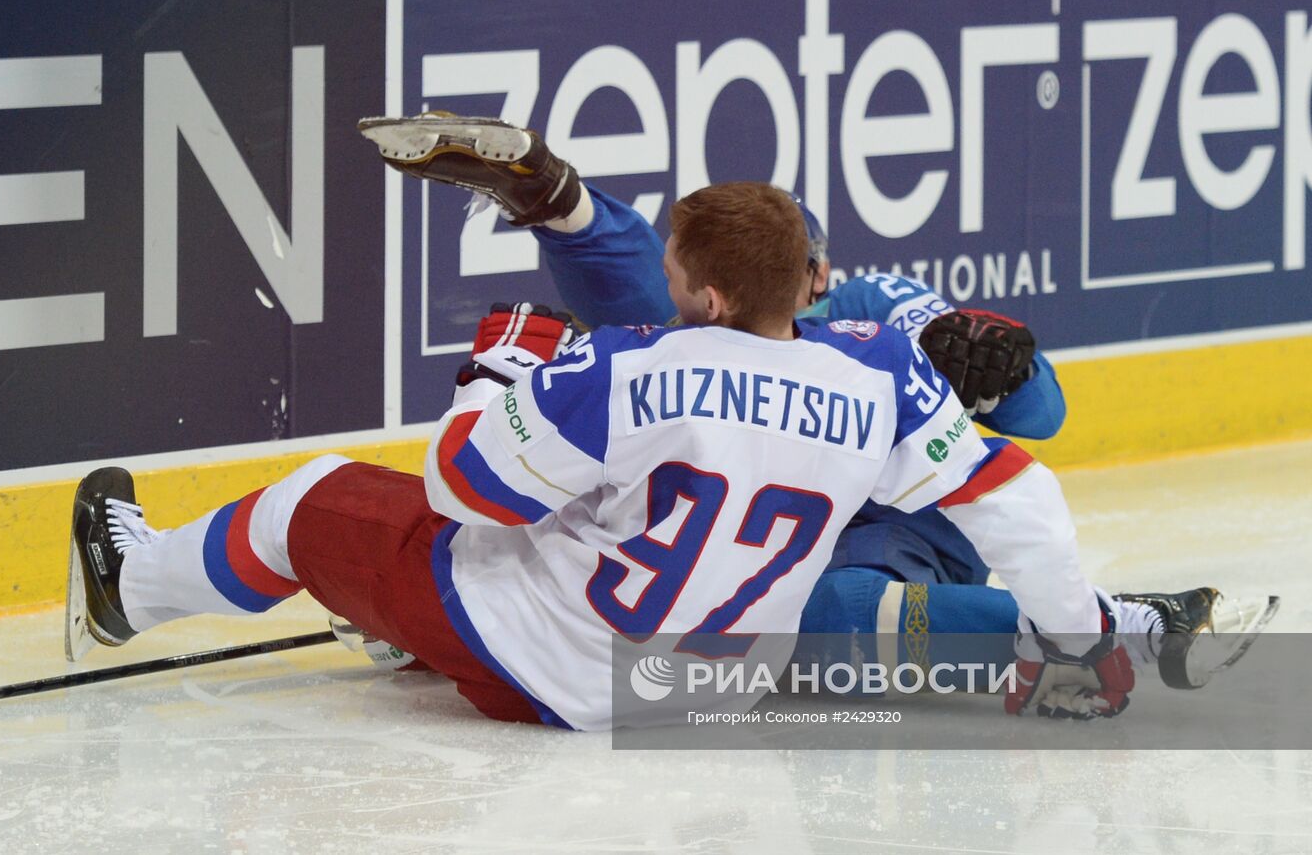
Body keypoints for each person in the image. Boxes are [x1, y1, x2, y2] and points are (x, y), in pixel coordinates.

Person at [68, 181, 1138, 728]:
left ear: (707, 292)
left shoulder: (632, 362)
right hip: (711, 690)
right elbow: (1025, 497)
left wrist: (496, 373)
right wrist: (1079, 631)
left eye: (672, 263)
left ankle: (127, 590)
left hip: (559, 676)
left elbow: (463, 488)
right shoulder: (879, 371)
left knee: (312, 502)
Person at [358, 113, 1277, 692]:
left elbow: (1042, 422)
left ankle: (1112, 628)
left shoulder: (876, 310)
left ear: (818, 274)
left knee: (830, 614)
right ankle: (563, 206)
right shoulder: (697, 335)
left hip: (884, 546)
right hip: (738, 550)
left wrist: (997, 367)